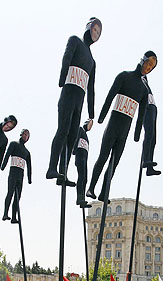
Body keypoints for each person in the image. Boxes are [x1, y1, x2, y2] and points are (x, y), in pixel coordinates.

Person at [86, 52, 155, 201]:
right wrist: (102, 116)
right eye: (148, 64)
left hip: (125, 131)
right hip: (113, 125)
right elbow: (110, 96)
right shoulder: (124, 76)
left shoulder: (143, 89)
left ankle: (104, 192)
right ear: (142, 61)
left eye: (151, 67)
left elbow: (141, 114)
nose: (148, 68)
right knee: (103, 157)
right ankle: (91, 187)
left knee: (114, 162)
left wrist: (137, 134)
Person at [46, 18, 102, 182]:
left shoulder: (92, 61)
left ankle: (62, 173)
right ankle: (52, 167)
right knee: (63, 130)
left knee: (72, 138)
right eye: (94, 29)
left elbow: (91, 88)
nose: (95, 33)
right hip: (69, 93)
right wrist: (62, 78)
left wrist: (91, 113)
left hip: (79, 100)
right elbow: (66, 58)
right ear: (88, 28)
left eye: (98, 32)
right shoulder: (75, 41)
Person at [1, 128, 32, 223]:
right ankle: (5, 213)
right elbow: (7, 155)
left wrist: (29, 178)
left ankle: (14, 217)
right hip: (13, 173)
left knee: (17, 197)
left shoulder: (27, 152)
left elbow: (29, 167)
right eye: (24, 134)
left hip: (20, 176)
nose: (25, 136)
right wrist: (3, 166)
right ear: (21, 134)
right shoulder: (13, 144)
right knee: (10, 192)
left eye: (27, 135)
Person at [73, 119, 93, 208]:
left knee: (85, 178)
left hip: (85, 158)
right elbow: (76, 139)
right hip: (80, 156)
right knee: (81, 177)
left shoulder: (87, 137)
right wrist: (74, 149)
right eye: (89, 124)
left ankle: (82, 199)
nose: (90, 126)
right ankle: (79, 197)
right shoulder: (80, 129)